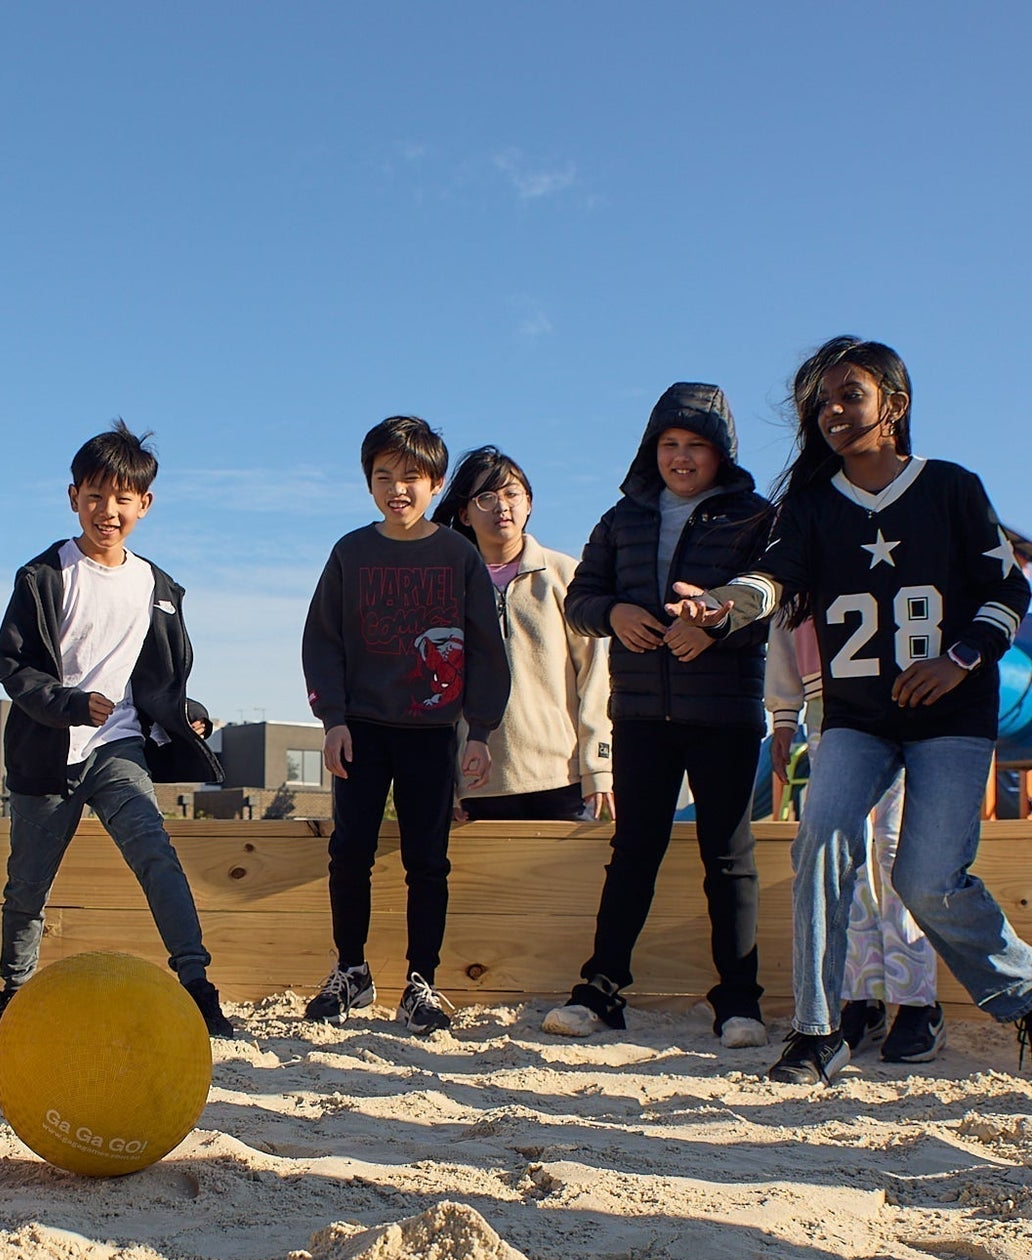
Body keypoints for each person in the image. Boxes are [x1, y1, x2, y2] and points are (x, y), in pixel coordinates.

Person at [668, 337, 1032, 1084]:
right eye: (822, 402)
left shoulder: (954, 488)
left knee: (926, 879)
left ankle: (1023, 994)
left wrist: (956, 659)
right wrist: (720, 604)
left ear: (893, 404)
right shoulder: (809, 505)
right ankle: (817, 1028)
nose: (832, 412)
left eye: (849, 395)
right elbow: (773, 581)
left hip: (952, 717)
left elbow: (1008, 594)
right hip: (856, 718)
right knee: (820, 847)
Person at [0, 421, 235, 1039]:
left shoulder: (158, 587)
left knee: (157, 856)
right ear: (73, 498)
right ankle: (13, 992)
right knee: (28, 882)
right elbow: (11, 666)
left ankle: (197, 987)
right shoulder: (43, 575)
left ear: (144, 505)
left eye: (123, 498)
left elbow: (155, 677)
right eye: (95, 496)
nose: (108, 510)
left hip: (119, 747)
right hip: (46, 751)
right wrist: (68, 704)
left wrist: (186, 710)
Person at [541, 384, 774, 1049]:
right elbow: (581, 599)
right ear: (652, 449)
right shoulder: (623, 518)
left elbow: (773, 603)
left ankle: (739, 1002)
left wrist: (716, 628)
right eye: (669, 445)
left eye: (695, 445)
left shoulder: (753, 516)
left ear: (721, 452)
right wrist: (613, 614)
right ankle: (602, 990)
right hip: (641, 714)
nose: (680, 457)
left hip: (726, 714)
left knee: (728, 856)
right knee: (633, 851)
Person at [301, 416, 509, 1034]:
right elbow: (323, 641)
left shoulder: (458, 556)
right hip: (361, 729)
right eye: (383, 476)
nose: (398, 488)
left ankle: (421, 981)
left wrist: (481, 731)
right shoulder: (351, 552)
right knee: (349, 854)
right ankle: (351, 972)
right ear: (368, 484)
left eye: (412, 477)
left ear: (437, 483)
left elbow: (484, 647)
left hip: (431, 731)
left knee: (429, 860)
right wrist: (332, 718)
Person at [767, 618, 941, 1062]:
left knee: (897, 847)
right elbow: (787, 620)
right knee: (844, 856)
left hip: (909, 701)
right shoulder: (800, 550)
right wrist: (784, 714)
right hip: (831, 712)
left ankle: (919, 1003)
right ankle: (860, 997)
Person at [432, 447, 613, 822]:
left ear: (529, 504)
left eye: (512, 494)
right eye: (486, 496)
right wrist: (445, 786)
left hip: (562, 779)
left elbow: (596, 679)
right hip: (478, 783)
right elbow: (435, 692)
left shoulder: (567, 577)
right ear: (464, 513)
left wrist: (599, 768)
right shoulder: (446, 589)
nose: (502, 506)